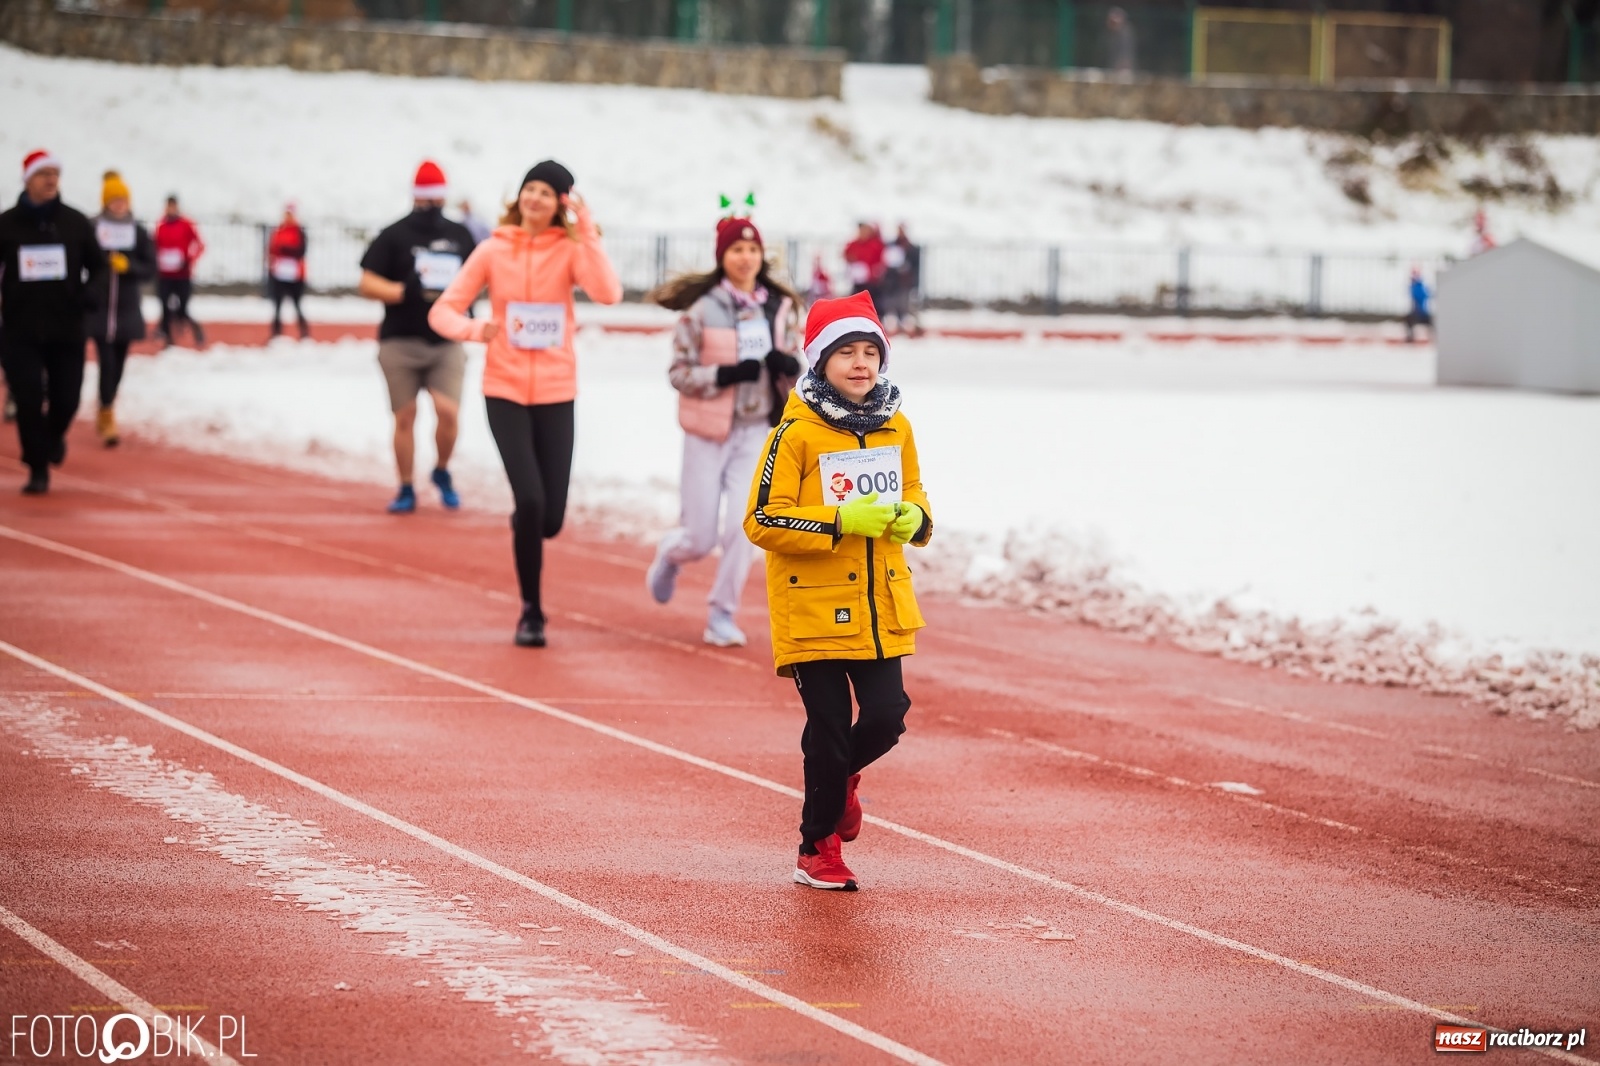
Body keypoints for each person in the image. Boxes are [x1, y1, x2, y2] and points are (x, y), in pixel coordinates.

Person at [743, 290, 933, 891]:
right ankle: (815, 846)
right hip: (813, 608)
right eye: (845, 351)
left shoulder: (896, 425)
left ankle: (840, 779)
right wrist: (839, 521)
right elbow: (762, 520)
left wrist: (914, 519)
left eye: (869, 352)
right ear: (820, 361)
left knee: (886, 717)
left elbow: (918, 493)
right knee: (826, 730)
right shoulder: (793, 434)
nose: (860, 363)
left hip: (879, 605)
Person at [429, 160, 622, 648]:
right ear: (519, 197)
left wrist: (588, 232)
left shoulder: (572, 250)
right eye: (529, 189)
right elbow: (443, 310)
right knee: (531, 500)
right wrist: (477, 330)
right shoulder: (493, 248)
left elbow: (607, 293)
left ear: (561, 203)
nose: (535, 198)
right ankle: (531, 611)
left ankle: (528, 523)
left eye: (546, 192)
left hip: (557, 391)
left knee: (549, 519)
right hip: (505, 390)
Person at [644, 215, 804, 647]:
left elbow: (799, 362)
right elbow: (678, 373)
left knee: (743, 527)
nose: (746, 257)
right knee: (700, 537)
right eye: (737, 250)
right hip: (706, 432)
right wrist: (725, 374)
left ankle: (721, 614)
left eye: (752, 250)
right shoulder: (702, 310)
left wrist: (790, 368)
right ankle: (671, 555)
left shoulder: (780, 308)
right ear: (722, 256)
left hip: (755, 430)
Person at [359, 161, 478, 514]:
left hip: (445, 342)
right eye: (426, 199)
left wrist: (468, 305)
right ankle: (406, 486)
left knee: (448, 412)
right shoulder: (394, 234)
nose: (431, 206)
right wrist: (401, 291)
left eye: (436, 198)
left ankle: (441, 470)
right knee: (406, 415)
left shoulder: (459, 234)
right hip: (401, 340)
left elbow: (479, 276)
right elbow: (366, 282)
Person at [0, 149, 104, 494]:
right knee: (28, 399)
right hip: (19, 330)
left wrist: (89, 295)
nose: (50, 181)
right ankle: (38, 466)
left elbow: (100, 267)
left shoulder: (75, 223)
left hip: (66, 328)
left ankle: (54, 435)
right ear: (27, 179)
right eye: (43, 174)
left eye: (55, 175)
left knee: (66, 399)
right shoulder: (7, 224)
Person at [86, 170, 157, 447]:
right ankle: (107, 412)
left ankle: (107, 403)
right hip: (100, 309)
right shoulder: (93, 229)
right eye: (113, 199)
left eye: (122, 199)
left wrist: (129, 267)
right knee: (107, 361)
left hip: (126, 309)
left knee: (119, 365)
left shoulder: (137, 232)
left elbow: (150, 268)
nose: (119, 204)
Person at [154, 194, 205, 346]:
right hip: (164, 274)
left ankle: (196, 328)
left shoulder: (186, 224)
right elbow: (156, 246)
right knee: (164, 305)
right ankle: (168, 339)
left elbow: (200, 245)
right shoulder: (161, 225)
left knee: (182, 308)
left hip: (182, 274)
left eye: (173, 206)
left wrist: (189, 259)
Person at [267, 203, 309, 339]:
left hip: (295, 274)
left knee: (297, 305)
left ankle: (304, 333)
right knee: (277, 305)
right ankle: (276, 334)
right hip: (279, 272)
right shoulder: (279, 230)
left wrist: (285, 249)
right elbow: (272, 248)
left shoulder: (299, 231)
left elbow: (301, 250)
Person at [880, 223, 922, 337]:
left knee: (904, 306)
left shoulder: (910, 247)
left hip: (905, 281)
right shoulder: (892, 245)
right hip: (893, 281)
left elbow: (915, 265)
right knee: (891, 305)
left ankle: (907, 328)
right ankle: (896, 327)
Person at [842, 223, 885, 304]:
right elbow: (846, 254)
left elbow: (880, 261)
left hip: (871, 281)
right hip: (856, 280)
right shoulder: (853, 244)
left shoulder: (875, 245)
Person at [1105, 6, 1136, 77]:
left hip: (1123, 70)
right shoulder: (1112, 34)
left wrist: (1122, 67)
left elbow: (1126, 54)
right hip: (1114, 69)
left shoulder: (1125, 34)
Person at [1405, 267, 1433, 344]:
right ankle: (1411, 337)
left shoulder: (1419, 286)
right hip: (1417, 310)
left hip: (1420, 310)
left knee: (1428, 323)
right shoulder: (1415, 286)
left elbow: (1422, 296)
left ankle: (1431, 337)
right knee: (1410, 322)